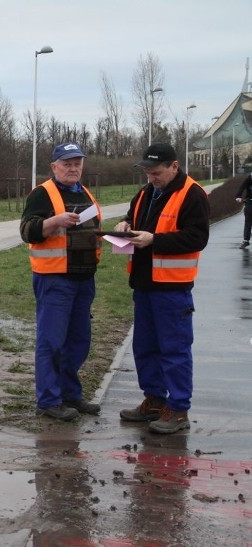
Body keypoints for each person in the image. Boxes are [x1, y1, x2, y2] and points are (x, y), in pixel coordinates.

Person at [115, 143, 210, 434]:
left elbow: (197, 238)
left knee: (174, 349)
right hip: (144, 284)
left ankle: (178, 410)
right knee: (145, 347)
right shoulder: (146, 192)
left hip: (172, 287)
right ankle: (154, 401)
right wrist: (123, 224)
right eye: (147, 173)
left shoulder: (192, 194)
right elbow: (133, 216)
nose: (151, 178)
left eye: (156, 173)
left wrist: (154, 240)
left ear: (174, 167)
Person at [20, 142, 103, 421]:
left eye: (77, 162)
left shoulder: (85, 193)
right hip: (54, 279)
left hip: (83, 278)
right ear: (54, 167)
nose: (73, 168)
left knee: (78, 341)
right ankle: (48, 401)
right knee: (52, 342)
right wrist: (53, 221)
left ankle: (70, 395)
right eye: (67, 163)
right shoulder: (42, 194)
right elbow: (27, 231)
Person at [234, 172, 252, 248]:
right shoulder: (250, 178)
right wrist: (238, 196)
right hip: (250, 202)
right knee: (248, 221)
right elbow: (242, 187)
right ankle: (246, 240)